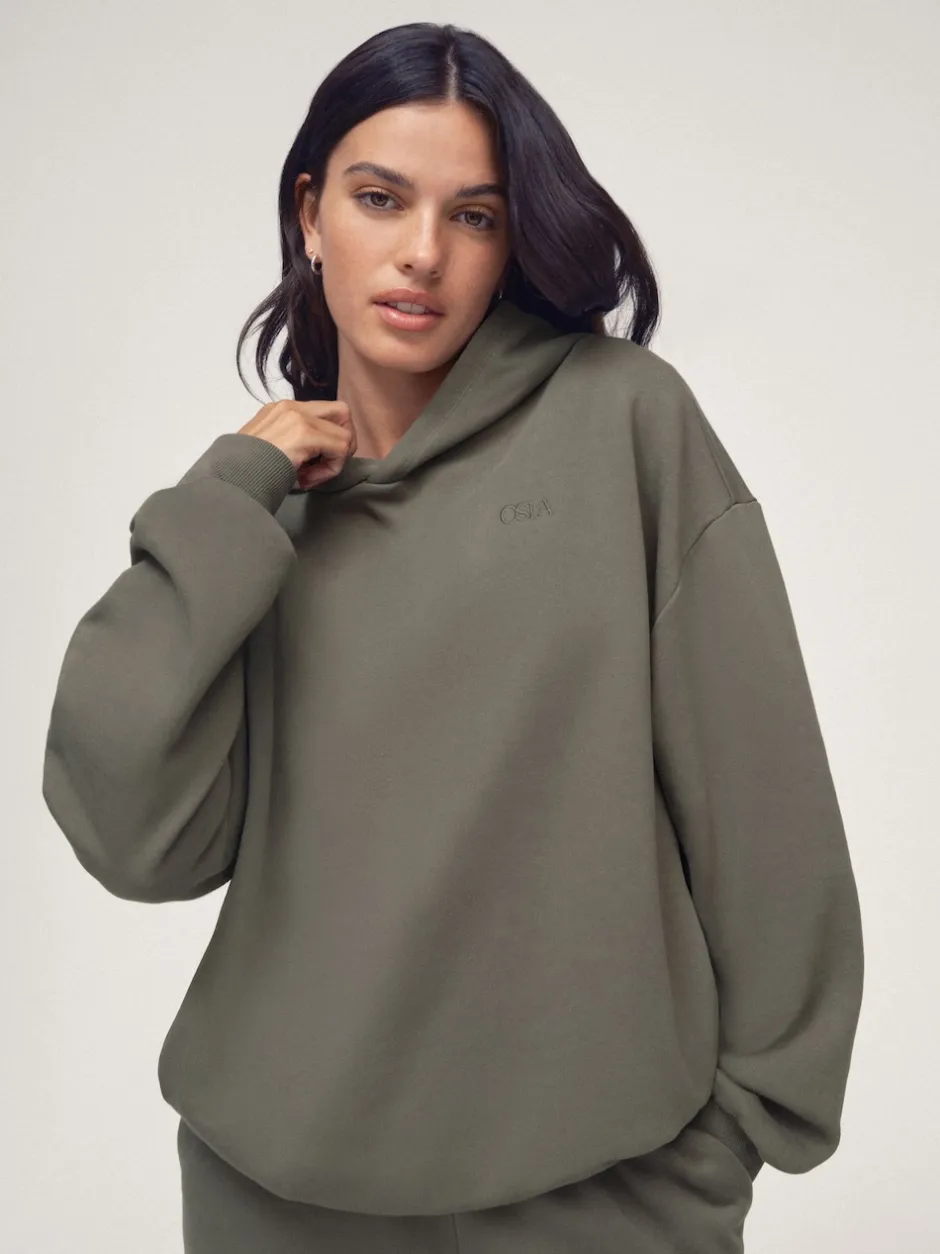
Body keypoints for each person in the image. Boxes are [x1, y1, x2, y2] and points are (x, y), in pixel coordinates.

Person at [41, 20, 864, 1254]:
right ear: (310, 214)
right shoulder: (260, 522)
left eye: (473, 216)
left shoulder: (622, 423)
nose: (422, 252)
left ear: (509, 240)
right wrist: (226, 494)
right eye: (380, 199)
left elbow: (764, 802)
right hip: (275, 1195)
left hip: (598, 1194)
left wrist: (739, 1133)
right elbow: (135, 837)